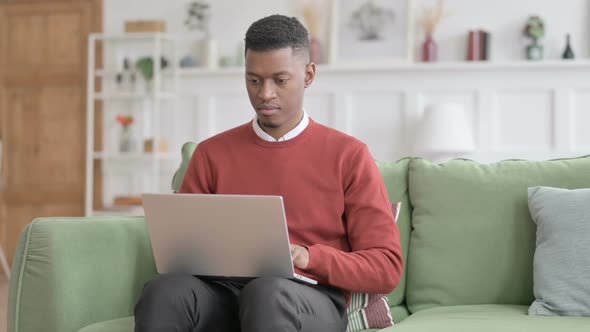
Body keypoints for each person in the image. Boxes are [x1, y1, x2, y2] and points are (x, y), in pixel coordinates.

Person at [134, 14, 403, 332]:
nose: (265, 93)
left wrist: (308, 257)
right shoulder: (210, 154)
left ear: (308, 75)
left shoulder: (349, 155)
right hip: (225, 294)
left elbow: (386, 267)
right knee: (164, 292)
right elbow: (181, 254)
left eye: (280, 79)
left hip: (308, 298)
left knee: (267, 293)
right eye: (254, 80)